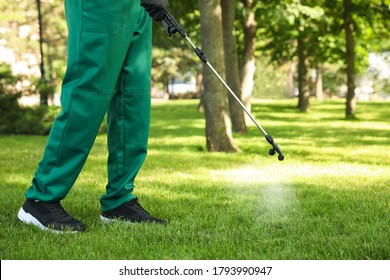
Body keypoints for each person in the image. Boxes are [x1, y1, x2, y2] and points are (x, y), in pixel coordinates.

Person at [17, 0, 169, 233]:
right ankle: (41, 199)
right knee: (88, 93)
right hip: (100, 5)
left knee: (133, 99)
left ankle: (120, 199)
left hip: (139, 7)